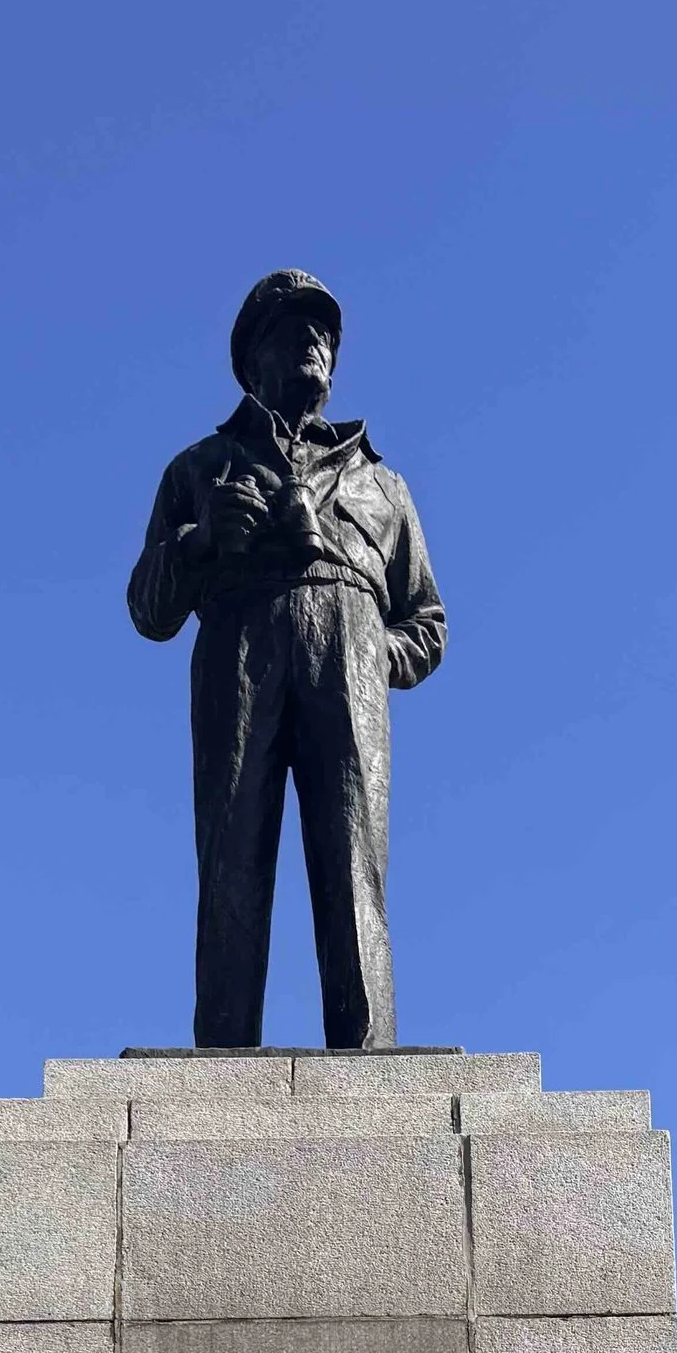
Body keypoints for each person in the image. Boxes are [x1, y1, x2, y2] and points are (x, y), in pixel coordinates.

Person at [129, 270, 446, 1049]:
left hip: (350, 660)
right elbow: (149, 609)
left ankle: (369, 1052)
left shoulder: (384, 485)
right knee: (232, 857)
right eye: (291, 330)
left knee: (353, 863)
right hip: (239, 647)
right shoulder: (199, 467)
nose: (314, 343)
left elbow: (428, 620)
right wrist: (200, 541)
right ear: (252, 359)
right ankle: (224, 1052)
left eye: (323, 333)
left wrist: (376, 652)